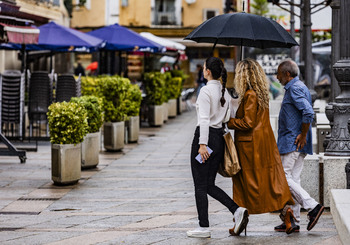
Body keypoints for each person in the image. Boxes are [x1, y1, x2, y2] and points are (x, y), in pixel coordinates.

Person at [226, 58, 294, 235]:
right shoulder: (260, 93)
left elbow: (247, 123)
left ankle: (240, 220)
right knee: (269, 182)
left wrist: (230, 121)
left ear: (244, 75)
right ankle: (286, 213)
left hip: (249, 146)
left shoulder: (250, 94)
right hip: (264, 142)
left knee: (243, 184)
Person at [187, 57, 249, 238]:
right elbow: (227, 117)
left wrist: (202, 145)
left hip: (205, 139)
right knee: (208, 185)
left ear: (207, 71)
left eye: (205, 67)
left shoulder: (206, 91)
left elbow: (204, 120)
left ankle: (204, 227)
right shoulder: (225, 92)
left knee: (200, 185)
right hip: (219, 139)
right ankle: (237, 210)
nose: (204, 70)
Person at [274, 59, 324, 234]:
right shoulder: (299, 86)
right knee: (294, 180)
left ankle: (313, 206)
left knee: (284, 177)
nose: (277, 77)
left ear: (287, 74)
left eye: (279, 74)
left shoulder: (294, 88)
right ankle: (292, 220)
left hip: (292, 142)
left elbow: (308, 112)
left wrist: (302, 134)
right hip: (298, 142)